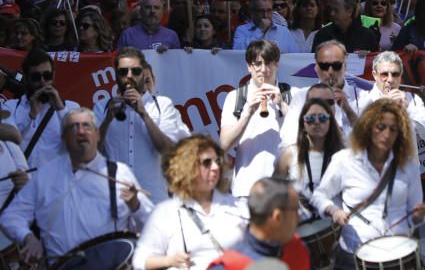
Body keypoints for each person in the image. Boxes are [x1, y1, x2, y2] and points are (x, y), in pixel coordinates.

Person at [1, 107, 152, 263]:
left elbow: (152, 224)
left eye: (87, 126)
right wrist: (28, 237)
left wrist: (136, 206)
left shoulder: (119, 173)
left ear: (97, 134)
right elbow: (11, 217)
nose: (81, 131)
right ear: (64, 137)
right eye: (74, 127)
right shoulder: (45, 176)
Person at [310, 99, 425, 259]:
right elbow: (319, 196)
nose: (386, 135)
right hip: (355, 250)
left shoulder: (409, 165)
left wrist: (418, 216)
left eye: (393, 129)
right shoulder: (344, 160)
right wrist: (334, 211)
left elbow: (414, 215)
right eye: (381, 127)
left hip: (399, 251)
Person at [133, 135, 247, 270]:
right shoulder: (166, 212)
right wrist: (171, 261)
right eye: (207, 163)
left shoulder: (237, 206)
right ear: (187, 167)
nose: (215, 167)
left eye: (217, 161)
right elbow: (140, 261)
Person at [94, 47, 190, 202]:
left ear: (144, 73)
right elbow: (92, 153)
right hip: (115, 198)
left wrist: (144, 114)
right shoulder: (101, 106)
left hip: (153, 197)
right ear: (116, 75)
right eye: (123, 72)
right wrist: (107, 120)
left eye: (135, 71)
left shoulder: (162, 105)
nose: (129, 76)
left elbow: (167, 150)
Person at [220, 40, 291, 197]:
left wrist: (282, 105)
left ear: (277, 64)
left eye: (269, 63)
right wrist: (247, 113)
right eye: (257, 64)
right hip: (246, 189)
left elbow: (306, 135)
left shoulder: (293, 94)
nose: (263, 70)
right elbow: (224, 145)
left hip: (285, 189)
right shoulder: (235, 97)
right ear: (249, 66)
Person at [208, 177, 310, 269]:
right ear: (277, 217)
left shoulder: (297, 251)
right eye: (296, 210)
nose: (299, 218)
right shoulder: (230, 266)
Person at [274, 98, 344, 219]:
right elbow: (273, 191)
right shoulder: (290, 154)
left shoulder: (342, 154)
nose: (316, 122)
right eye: (310, 118)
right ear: (303, 124)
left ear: (330, 123)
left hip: (337, 226)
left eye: (322, 118)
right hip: (300, 227)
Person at [11, 49, 80, 168]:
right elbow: (8, 143)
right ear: (26, 78)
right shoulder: (12, 107)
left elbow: (79, 143)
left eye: (47, 76)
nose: (42, 82)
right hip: (23, 182)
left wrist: (60, 109)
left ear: (54, 75)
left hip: (55, 182)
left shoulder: (71, 107)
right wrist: (30, 116)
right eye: (36, 77)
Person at [357, 51, 425, 135]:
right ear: (375, 75)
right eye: (384, 74)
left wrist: (409, 109)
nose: (390, 80)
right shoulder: (362, 100)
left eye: (395, 74)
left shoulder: (412, 99)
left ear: (401, 75)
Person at [311, 0, 379, 54]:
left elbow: (375, 61)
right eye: (331, 10)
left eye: (336, 10)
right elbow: (314, 60)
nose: (331, 13)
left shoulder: (367, 35)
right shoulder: (322, 35)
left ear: (349, 11)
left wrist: (367, 56)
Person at [232, 0, 298, 54]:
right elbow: (237, 53)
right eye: (261, 11)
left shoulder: (284, 31)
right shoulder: (242, 30)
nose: (265, 15)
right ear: (252, 12)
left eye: (269, 10)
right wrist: (260, 30)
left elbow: (295, 57)